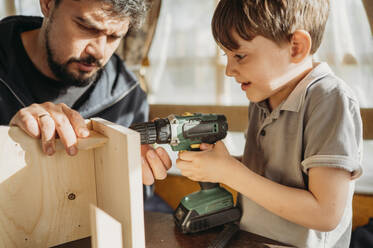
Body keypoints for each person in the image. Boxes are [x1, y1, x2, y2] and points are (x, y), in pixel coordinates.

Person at [175, 0, 363, 247]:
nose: (229, 70)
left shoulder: (329, 99)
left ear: (296, 47)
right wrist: (221, 164)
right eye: (227, 56)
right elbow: (273, 173)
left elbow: (325, 213)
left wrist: (228, 171)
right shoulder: (263, 94)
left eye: (240, 55)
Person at [0, 0, 171, 209]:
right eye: (87, 27)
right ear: (47, 4)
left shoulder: (128, 96)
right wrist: (8, 141)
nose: (98, 52)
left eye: (114, 36)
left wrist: (137, 178)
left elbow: (137, 200)